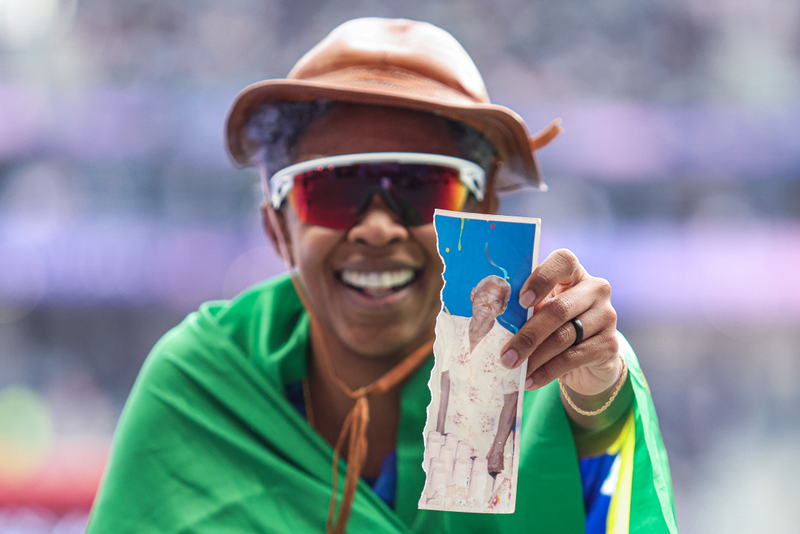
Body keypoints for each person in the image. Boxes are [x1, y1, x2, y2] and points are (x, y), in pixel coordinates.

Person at [87, 17, 677, 534]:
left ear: (482, 215)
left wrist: (598, 404)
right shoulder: (204, 384)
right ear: (278, 229)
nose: (376, 227)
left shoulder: (552, 370)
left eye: (423, 187)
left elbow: (610, 493)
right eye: (330, 189)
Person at [434, 275, 518, 473]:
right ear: (473, 294)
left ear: (503, 309)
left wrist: (497, 450)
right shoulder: (451, 327)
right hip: (448, 441)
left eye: (495, 302)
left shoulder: (509, 344)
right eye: (483, 296)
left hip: (486, 449)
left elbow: (512, 401)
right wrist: (437, 433)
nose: (486, 306)